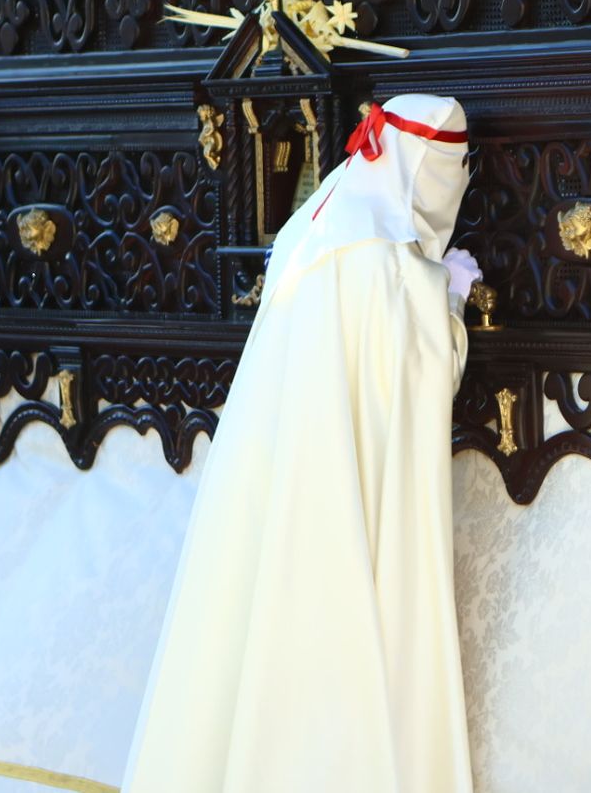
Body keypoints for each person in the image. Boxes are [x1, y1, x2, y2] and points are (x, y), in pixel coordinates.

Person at [124, 94, 480, 793]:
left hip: (271, 476)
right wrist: (453, 297)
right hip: (339, 496)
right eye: (452, 166)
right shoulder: (382, 259)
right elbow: (424, 373)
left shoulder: (312, 222)